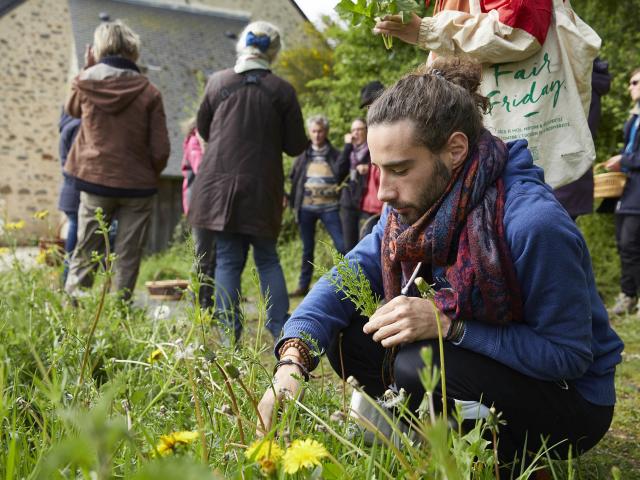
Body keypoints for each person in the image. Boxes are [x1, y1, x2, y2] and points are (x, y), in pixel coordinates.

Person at [258, 58, 623, 470]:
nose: (384, 193)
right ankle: (440, 436)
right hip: (487, 363)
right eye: (380, 170)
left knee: (418, 363)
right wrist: (294, 359)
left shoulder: (532, 224)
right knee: (352, 331)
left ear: (455, 150)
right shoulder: (408, 212)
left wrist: (450, 326)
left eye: (399, 170)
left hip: (572, 400)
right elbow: (344, 279)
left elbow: (569, 356)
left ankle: (496, 451)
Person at [373, 0, 600, 209]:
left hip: (518, 181)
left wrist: (427, 31)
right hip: (475, 149)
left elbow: (519, 31)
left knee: (519, 227)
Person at [188, 21, 307, 340]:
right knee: (267, 258)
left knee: (226, 259)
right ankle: (282, 332)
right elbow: (296, 146)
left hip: (219, 187)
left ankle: (229, 337)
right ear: (274, 52)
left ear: (242, 46)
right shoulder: (282, 91)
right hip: (261, 188)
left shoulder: (217, 82)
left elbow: (204, 129)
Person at [64, 20, 170, 302]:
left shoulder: (85, 81)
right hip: (137, 187)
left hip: (95, 179)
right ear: (133, 51)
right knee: (128, 254)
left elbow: (71, 110)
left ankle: (73, 311)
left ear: (99, 48)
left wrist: (87, 69)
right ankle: (120, 311)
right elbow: (161, 150)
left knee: (86, 249)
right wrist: (146, 173)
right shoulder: (150, 91)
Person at [289, 115, 345, 298]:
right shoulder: (303, 155)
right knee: (307, 248)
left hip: (330, 207)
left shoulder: (336, 154)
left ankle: (345, 282)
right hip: (306, 208)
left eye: (320, 131)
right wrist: (291, 201)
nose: (317, 134)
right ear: (309, 132)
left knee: (342, 245)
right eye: (314, 131)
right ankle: (303, 286)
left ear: (326, 132)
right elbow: (294, 178)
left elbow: (343, 175)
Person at [604, 67, 640, 316]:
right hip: (628, 189)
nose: (631, 86)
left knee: (631, 242)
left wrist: (624, 160)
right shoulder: (634, 117)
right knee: (624, 243)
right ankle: (628, 296)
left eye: (636, 81)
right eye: (630, 82)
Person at [339, 118, 381, 251]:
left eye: (359, 129)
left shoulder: (373, 149)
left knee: (365, 243)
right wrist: (346, 147)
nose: (355, 133)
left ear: (366, 131)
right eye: (353, 130)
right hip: (349, 201)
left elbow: (380, 169)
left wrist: (369, 168)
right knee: (348, 246)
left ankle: (365, 271)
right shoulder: (349, 151)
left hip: (367, 202)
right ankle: (350, 272)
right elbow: (337, 174)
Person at [57, 109, 81, 285]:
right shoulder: (78, 126)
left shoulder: (66, 125)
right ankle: (68, 284)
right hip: (78, 189)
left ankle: (66, 283)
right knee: (75, 244)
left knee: (74, 239)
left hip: (69, 189)